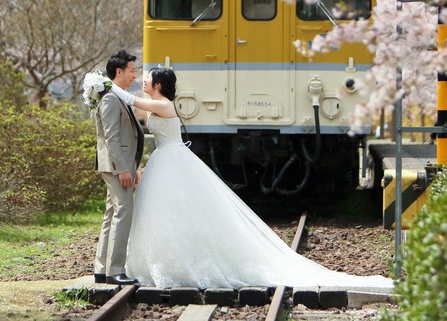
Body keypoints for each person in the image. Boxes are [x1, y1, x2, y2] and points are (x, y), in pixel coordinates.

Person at [110, 67, 393, 291]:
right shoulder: (158, 103)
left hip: (170, 160)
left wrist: (106, 85)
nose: (142, 80)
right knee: (168, 212)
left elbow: (133, 100)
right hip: (165, 161)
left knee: (174, 211)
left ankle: (174, 263)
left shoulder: (163, 105)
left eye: (146, 78)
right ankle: (166, 262)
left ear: (158, 85)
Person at [93, 50, 144, 286]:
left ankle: (102, 268)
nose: (135, 75)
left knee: (111, 213)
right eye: (132, 70)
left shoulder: (117, 96)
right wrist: (123, 168)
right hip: (117, 166)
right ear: (119, 71)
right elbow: (111, 137)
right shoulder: (112, 99)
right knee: (123, 212)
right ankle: (115, 270)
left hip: (117, 164)